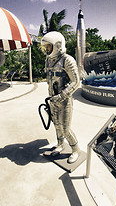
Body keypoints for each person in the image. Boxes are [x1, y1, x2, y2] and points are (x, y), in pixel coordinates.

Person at [41, 31, 81, 164]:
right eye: (45, 47)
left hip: (64, 101)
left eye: (48, 47)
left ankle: (75, 149)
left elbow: (76, 82)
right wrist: (52, 97)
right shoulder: (49, 60)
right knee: (57, 126)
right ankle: (60, 145)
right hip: (52, 99)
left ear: (57, 45)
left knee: (65, 128)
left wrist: (62, 95)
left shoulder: (67, 60)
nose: (46, 50)